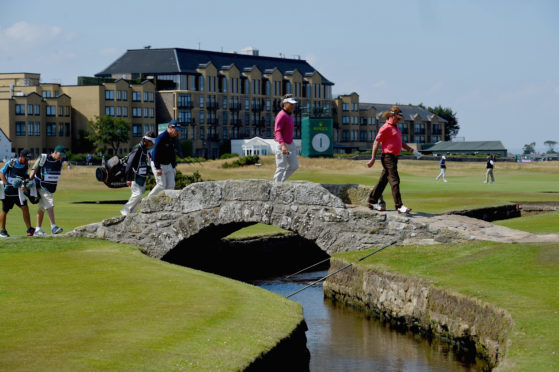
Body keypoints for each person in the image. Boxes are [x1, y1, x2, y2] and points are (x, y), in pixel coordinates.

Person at [366, 106, 422, 214]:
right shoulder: (385, 127)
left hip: (394, 158)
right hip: (388, 157)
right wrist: (373, 158)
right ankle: (399, 206)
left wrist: (412, 150)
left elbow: (400, 143)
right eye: (398, 118)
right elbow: (376, 142)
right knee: (395, 180)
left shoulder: (396, 128)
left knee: (383, 181)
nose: (399, 120)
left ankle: (372, 201)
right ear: (392, 116)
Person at [29, 145, 66, 236]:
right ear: (55, 152)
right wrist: (29, 181)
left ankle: (38, 230)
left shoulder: (59, 161)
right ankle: (53, 227)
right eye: (60, 155)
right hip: (41, 185)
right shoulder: (44, 158)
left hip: (50, 187)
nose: (61, 157)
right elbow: (34, 169)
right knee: (50, 202)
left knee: (41, 207)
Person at [0, 149, 35, 237]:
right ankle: (3, 231)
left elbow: (25, 176)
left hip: (19, 191)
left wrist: (26, 183)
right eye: (26, 158)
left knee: (25, 208)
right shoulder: (11, 162)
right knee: (5, 210)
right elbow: (1, 173)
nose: (27, 160)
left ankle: (29, 229)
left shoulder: (26, 164)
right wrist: (6, 183)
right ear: (21, 157)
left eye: (28, 159)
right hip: (8, 192)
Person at [121, 131, 156, 216]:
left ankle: (132, 213)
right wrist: (128, 178)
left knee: (139, 197)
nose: (152, 144)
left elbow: (144, 164)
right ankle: (125, 210)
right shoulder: (137, 148)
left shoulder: (144, 149)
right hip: (134, 176)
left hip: (141, 177)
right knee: (137, 194)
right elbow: (130, 163)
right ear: (146, 140)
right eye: (151, 141)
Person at [148, 120, 181, 197]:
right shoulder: (161, 137)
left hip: (168, 165)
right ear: (170, 127)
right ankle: (147, 201)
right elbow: (155, 152)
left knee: (171, 185)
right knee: (161, 185)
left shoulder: (173, 138)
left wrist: (173, 166)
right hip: (159, 164)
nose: (177, 132)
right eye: (176, 130)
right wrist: (157, 167)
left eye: (178, 131)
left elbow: (172, 153)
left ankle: (167, 205)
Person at [273, 94, 299, 182]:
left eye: (293, 104)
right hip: (282, 144)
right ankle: (276, 186)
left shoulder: (289, 115)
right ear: (284, 104)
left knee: (294, 166)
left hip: (290, 143)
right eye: (290, 104)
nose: (293, 106)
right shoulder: (281, 115)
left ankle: (281, 182)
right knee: (281, 167)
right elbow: (277, 131)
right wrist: (283, 145)